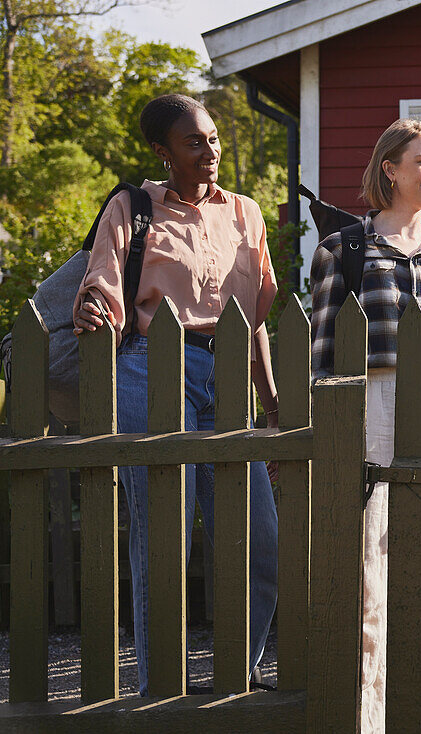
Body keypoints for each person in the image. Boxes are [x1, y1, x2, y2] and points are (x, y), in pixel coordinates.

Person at [73, 93, 279, 695]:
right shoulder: (132, 208)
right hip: (152, 373)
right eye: (194, 142)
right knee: (165, 533)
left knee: (257, 539)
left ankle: (239, 673)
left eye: (214, 138)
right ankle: (159, 686)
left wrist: (272, 406)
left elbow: (258, 317)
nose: (210, 151)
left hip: (229, 381)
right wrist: (92, 309)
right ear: (163, 153)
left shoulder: (245, 213)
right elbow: (103, 288)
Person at [309, 118, 421, 733]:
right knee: (367, 588)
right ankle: (367, 719)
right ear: (391, 169)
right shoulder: (344, 251)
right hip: (368, 421)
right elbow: (324, 359)